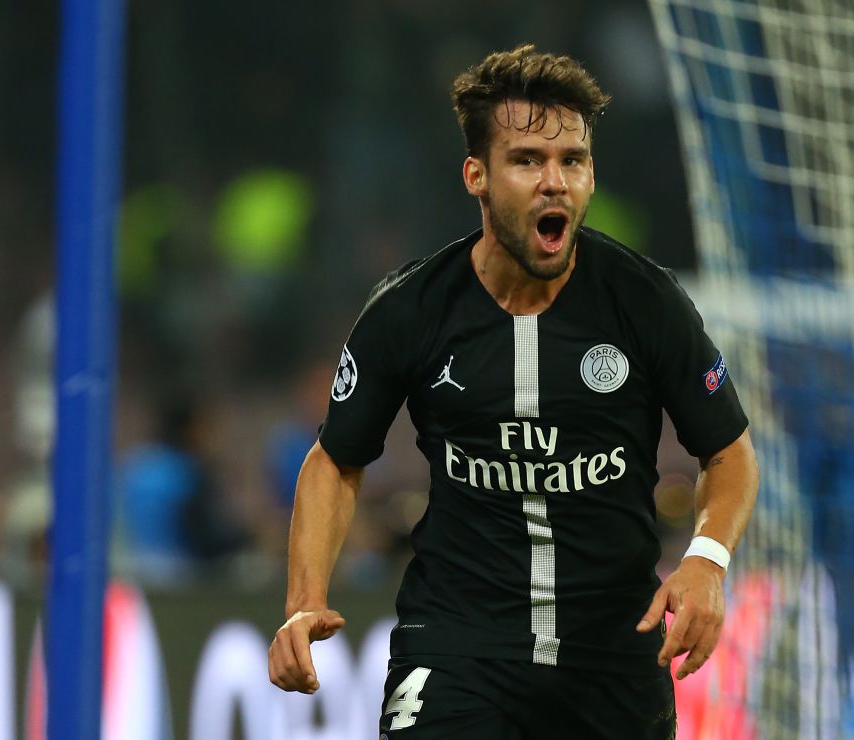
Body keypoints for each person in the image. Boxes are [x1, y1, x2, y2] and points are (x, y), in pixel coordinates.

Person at [269, 44, 759, 739]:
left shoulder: (644, 303)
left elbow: (730, 452)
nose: (555, 182)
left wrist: (706, 561)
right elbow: (335, 459)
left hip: (613, 654)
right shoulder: (411, 311)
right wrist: (302, 600)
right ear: (477, 174)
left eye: (573, 161)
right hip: (456, 645)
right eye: (528, 160)